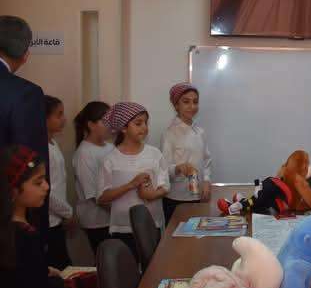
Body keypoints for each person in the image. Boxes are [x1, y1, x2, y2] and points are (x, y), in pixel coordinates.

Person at [3, 144, 97, 288]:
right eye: (38, 182)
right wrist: (73, 285)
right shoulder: (23, 237)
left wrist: (42, 271)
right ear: (13, 190)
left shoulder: (15, 229)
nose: (46, 187)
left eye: (45, 180)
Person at [97, 102, 169, 260]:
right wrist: (131, 185)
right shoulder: (110, 160)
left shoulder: (154, 154)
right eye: (138, 123)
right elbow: (102, 197)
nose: (144, 127)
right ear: (123, 128)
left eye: (146, 123)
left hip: (152, 225)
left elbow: (165, 186)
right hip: (123, 228)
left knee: (152, 268)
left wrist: (152, 195)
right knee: (127, 270)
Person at [0, 15, 50, 239]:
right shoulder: (24, 94)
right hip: (8, 218)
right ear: (25, 54)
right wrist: (38, 228)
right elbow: (30, 164)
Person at [161, 83, 212, 222]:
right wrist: (179, 168)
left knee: (197, 233)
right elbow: (164, 168)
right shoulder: (169, 133)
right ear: (176, 105)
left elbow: (207, 160)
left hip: (199, 195)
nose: (192, 106)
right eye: (186, 102)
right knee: (177, 235)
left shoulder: (200, 132)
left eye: (195, 102)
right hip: (176, 198)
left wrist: (206, 181)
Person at [72, 101, 113, 255]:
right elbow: (95, 196)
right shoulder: (84, 154)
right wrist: (121, 212)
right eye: (105, 121)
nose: (110, 125)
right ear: (91, 125)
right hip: (97, 221)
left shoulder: (110, 147)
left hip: (112, 217)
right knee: (106, 261)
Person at [45, 95, 74, 270]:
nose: (64, 119)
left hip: (57, 217)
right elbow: (47, 190)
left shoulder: (53, 143)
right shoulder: (42, 148)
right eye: (59, 114)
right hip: (48, 219)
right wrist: (67, 213)